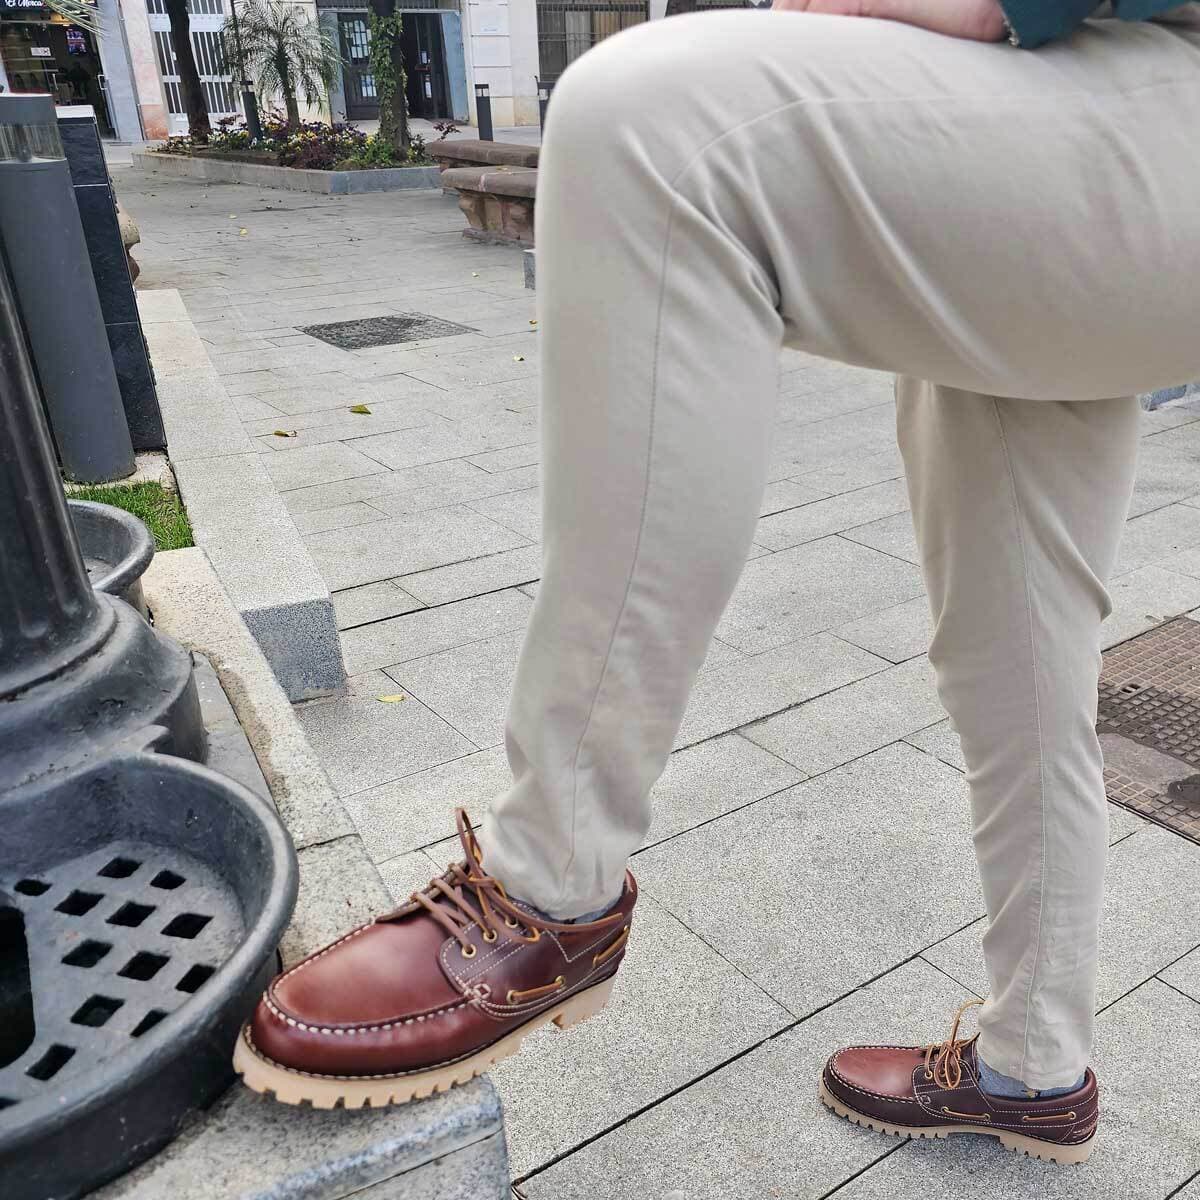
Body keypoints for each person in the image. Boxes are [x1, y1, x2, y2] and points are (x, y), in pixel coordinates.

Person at [233, 0, 1200, 1166]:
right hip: (1094, 107)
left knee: (656, 122)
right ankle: (1034, 1067)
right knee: (1015, 648)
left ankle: (552, 885)